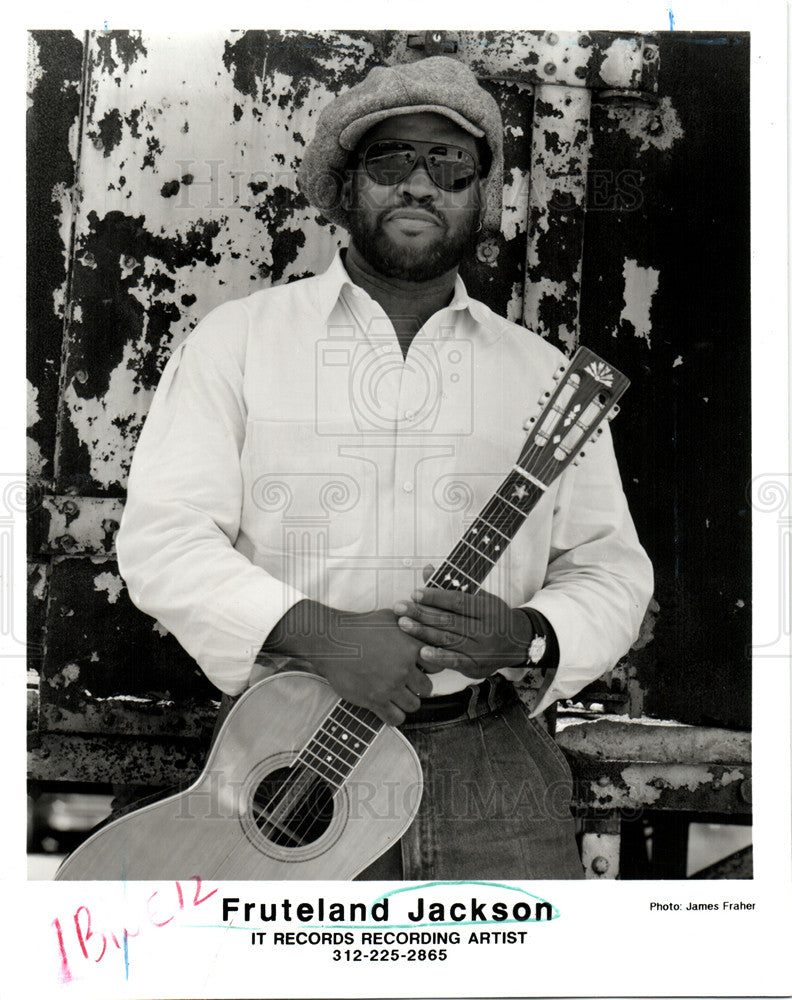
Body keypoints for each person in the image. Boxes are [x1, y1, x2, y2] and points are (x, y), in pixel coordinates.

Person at [116, 56, 653, 880]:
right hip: (282, 756)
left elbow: (608, 569)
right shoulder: (241, 343)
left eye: (449, 164)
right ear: (345, 185)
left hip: (489, 765)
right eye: (391, 159)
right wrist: (322, 634)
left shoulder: (542, 376)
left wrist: (528, 634)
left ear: (481, 193)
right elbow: (164, 539)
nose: (419, 184)